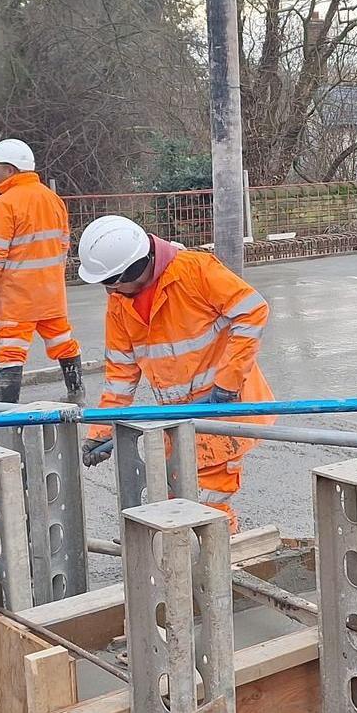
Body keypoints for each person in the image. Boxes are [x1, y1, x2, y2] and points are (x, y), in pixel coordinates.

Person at [75, 215, 270, 529]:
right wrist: (99, 433)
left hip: (223, 412)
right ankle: (197, 566)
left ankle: (219, 565)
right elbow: (120, 378)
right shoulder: (120, 307)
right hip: (179, 420)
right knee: (177, 500)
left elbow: (252, 310)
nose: (108, 292)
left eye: (110, 283)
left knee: (208, 504)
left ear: (133, 270)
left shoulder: (195, 271)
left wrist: (228, 382)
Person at [0, 139, 83, 404]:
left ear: (11, 170)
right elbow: (63, 244)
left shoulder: (5, 203)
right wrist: (52, 275)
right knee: (63, 342)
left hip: (18, 296)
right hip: (51, 293)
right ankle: (76, 393)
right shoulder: (53, 199)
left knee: (10, 351)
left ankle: (7, 410)